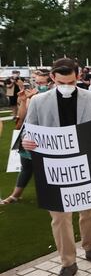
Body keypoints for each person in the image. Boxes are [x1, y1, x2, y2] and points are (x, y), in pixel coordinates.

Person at [21, 58, 91, 276]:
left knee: (89, 209)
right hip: (54, 166)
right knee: (60, 216)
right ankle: (68, 261)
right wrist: (26, 140)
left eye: (71, 81)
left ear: (78, 77)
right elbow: (28, 130)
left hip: (86, 161)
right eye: (62, 81)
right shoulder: (38, 101)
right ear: (52, 78)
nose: (67, 85)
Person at [1, 71, 51, 205]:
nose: (38, 85)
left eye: (42, 83)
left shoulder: (52, 97)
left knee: (48, 168)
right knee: (26, 166)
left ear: (50, 83)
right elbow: (22, 117)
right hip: (29, 135)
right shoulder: (31, 96)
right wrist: (24, 100)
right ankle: (15, 195)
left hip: (48, 137)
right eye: (37, 82)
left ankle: (51, 195)